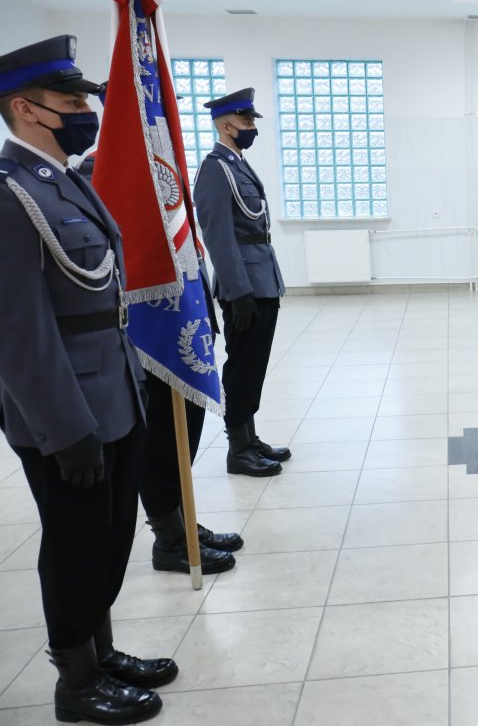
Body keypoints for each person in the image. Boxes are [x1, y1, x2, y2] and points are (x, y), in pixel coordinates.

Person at [0, 35, 173, 724]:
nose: (84, 111)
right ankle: (75, 681)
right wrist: (64, 427)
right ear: (25, 108)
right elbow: (18, 331)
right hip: (65, 408)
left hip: (114, 392)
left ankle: (100, 651)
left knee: (108, 537)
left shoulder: (65, 181)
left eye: (83, 101)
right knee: (74, 545)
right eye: (70, 101)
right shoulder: (12, 196)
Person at [77, 113, 241, 575]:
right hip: (150, 336)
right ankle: (169, 538)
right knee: (161, 444)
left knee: (183, 435)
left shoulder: (161, 168)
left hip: (182, 324)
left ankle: (184, 522)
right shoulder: (101, 172)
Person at [193, 88, 290, 476]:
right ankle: (238, 449)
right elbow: (218, 235)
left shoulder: (237, 164)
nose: (252, 129)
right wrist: (238, 291)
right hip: (244, 285)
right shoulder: (215, 168)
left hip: (262, 277)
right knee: (242, 366)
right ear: (226, 124)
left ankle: (250, 437)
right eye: (247, 122)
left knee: (255, 363)